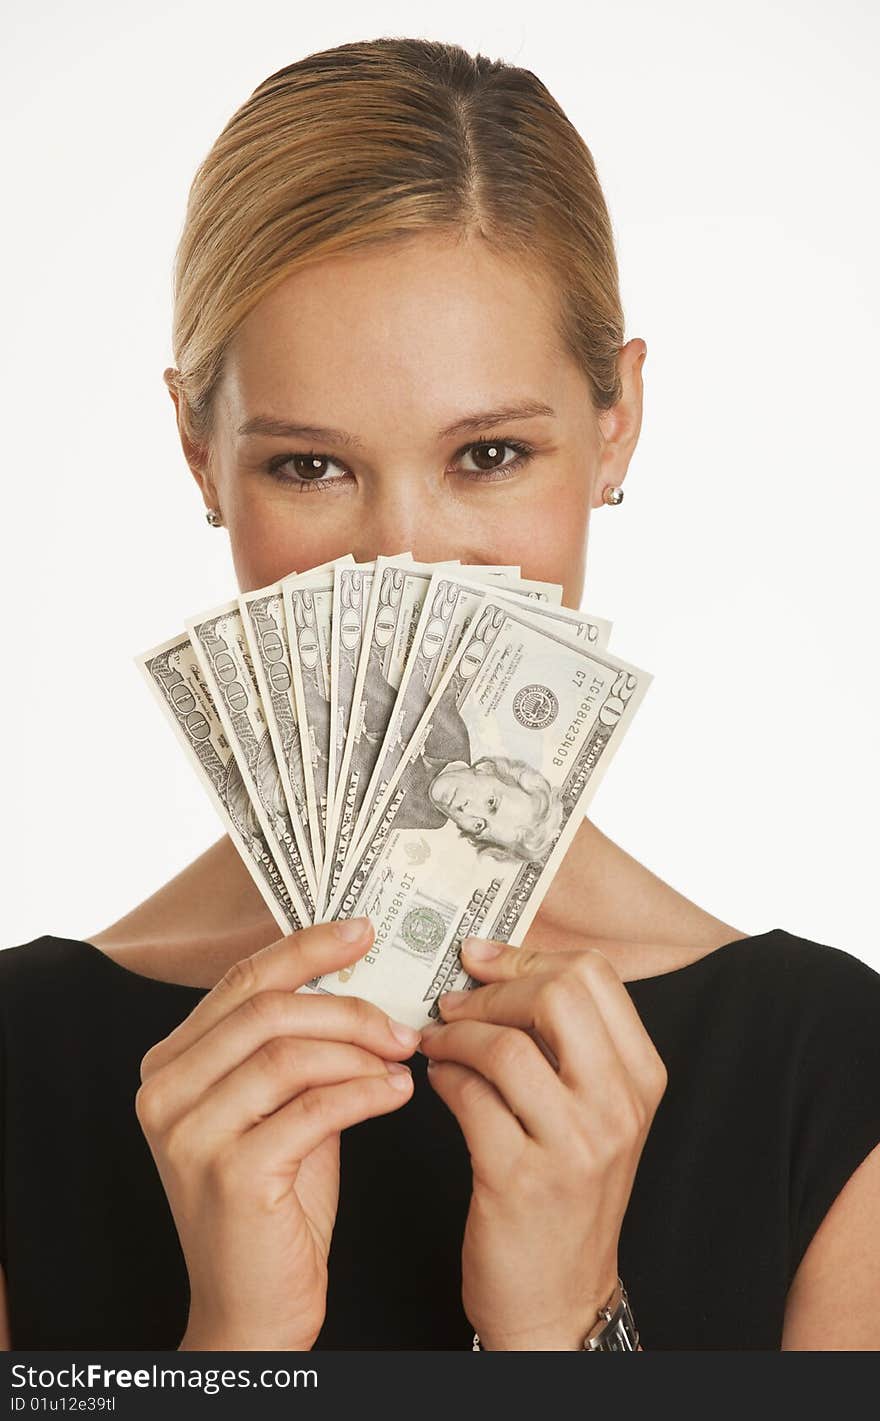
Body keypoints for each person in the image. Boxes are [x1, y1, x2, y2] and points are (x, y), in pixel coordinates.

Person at [2, 36, 878, 1352]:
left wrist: (569, 1327)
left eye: (488, 452)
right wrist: (232, 1347)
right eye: (309, 465)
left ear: (617, 423)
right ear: (200, 452)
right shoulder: (17, 1072)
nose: (403, 558)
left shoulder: (830, 1081)